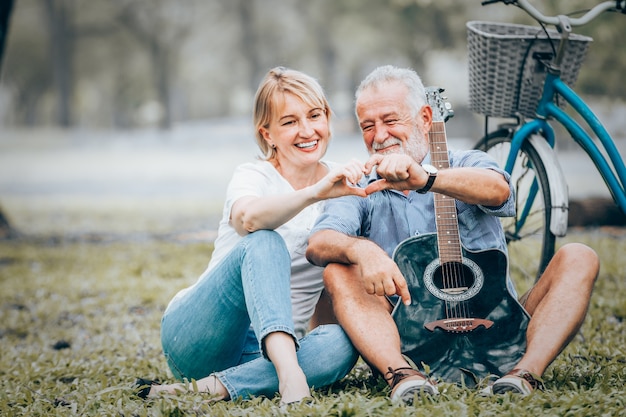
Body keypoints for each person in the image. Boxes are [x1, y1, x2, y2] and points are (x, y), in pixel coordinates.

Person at [305, 65, 600, 402]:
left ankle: (523, 374)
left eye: (390, 120)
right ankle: (402, 377)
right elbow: (319, 242)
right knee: (338, 269)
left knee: (579, 256)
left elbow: (499, 190)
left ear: (425, 118)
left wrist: (427, 179)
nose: (380, 135)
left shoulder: (465, 162)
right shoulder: (360, 186)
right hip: (407, 340)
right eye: (368, 126)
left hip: (501, 329)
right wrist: (363, 251)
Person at [136, 67, 364, 405]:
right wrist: (316, 192)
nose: (306, 130)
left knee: (342, 343)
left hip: (267, 353)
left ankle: (204, 390)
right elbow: (249, 218)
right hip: (202, 334)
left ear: (327, 118)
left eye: (315, 116)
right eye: (289, 122)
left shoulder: (347, 186)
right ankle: (289, 377)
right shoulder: (252, 175)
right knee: (263, 240)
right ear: (267, 134)